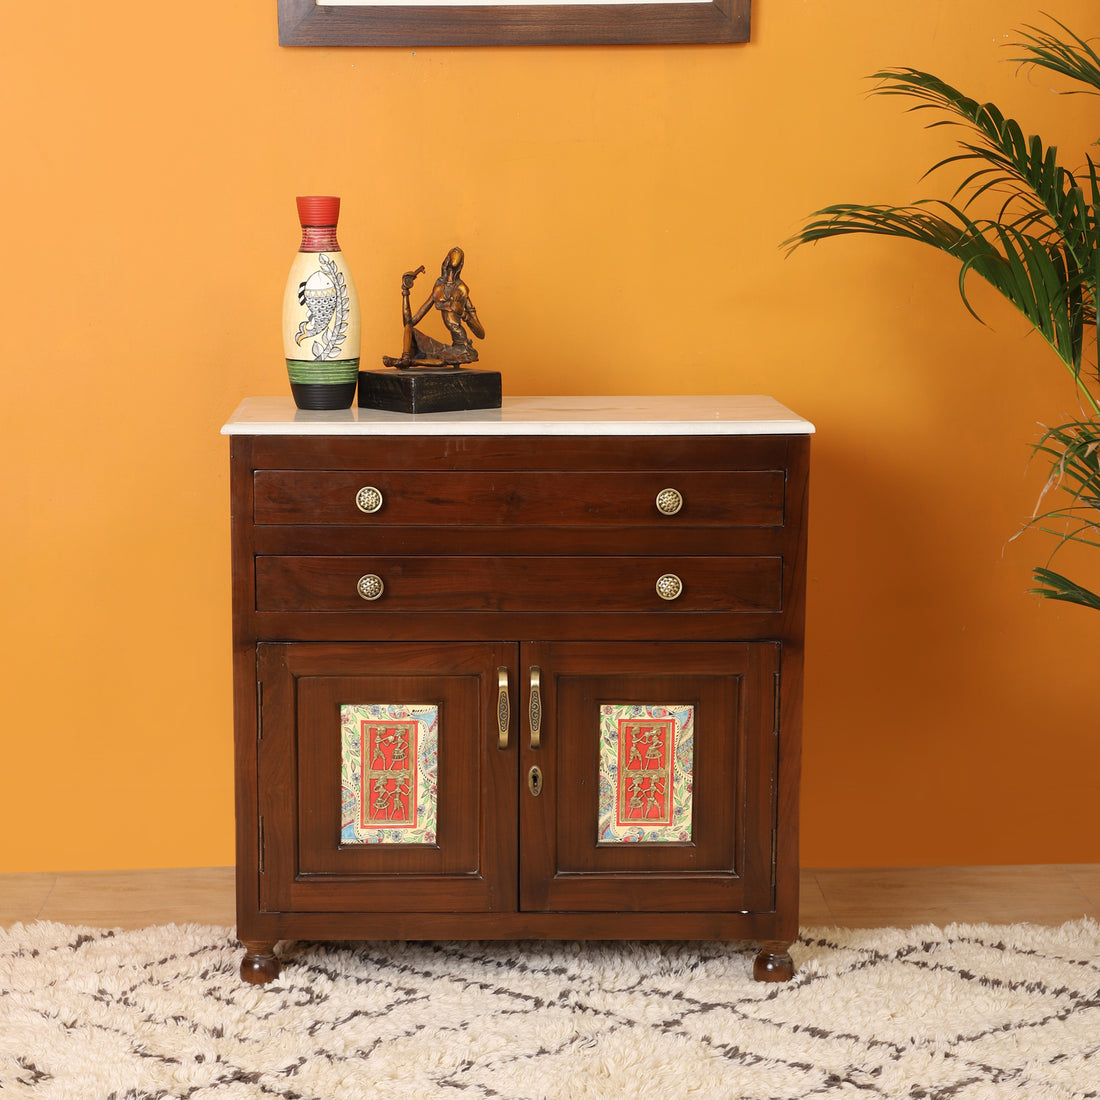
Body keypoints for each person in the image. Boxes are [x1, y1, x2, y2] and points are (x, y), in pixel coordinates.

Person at [382, 247, 485, 369]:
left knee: (441, 361)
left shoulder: (462, 290)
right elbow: (409, 323)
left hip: (462, 348)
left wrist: (463, 314)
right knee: (411, 331)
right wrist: (405, 292)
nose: (451, 271)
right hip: (450, 349)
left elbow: (481, 334)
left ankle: (411, 362)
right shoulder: (438, 288)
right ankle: (405, 358)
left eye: (454, 268)